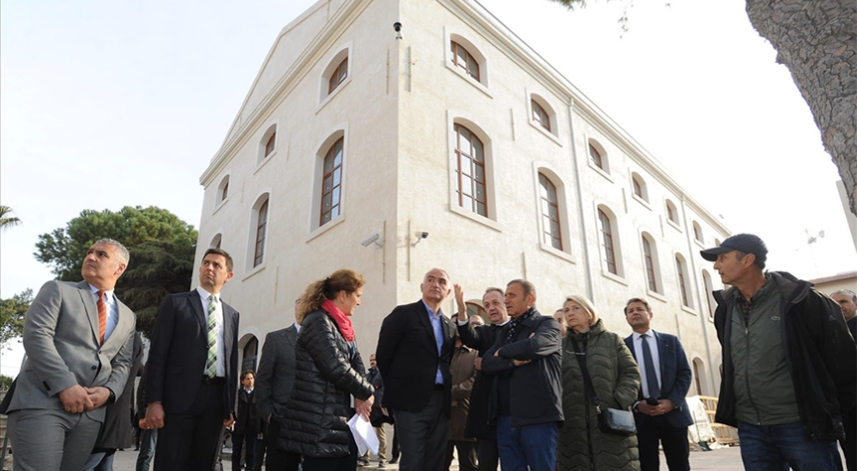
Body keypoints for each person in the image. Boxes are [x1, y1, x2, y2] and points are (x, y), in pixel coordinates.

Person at [700, 233, 856, 470]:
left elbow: (845, 365)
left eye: (722, 258)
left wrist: (824, 412)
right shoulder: (725, 309)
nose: (716, 265)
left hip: (803, 426)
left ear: (748, 260)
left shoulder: (804, 301)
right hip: (751, 429)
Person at [6, 238, 137, 471]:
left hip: (89, 416)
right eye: (89, 252)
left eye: (101, 254)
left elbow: (123, 363)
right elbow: (37, 337)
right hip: (42, 404)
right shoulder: (57, 289)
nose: (90, 257)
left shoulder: (128, 316)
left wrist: (108, 392)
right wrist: (66, 385)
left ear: (120, 268)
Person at [144, 248, 241, 471]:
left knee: (204, 464)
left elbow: (232, 361)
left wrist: (230, 406)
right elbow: (158, 355)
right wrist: (153, 401)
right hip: (179, 399)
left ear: (228, 275)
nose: (209, 268)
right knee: (171, 462)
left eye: (217, 265)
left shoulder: (232, 315)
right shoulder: (176, 303)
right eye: (206, 263)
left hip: (216, 402)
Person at [281, 269, 375, 471]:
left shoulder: (343, 326)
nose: (359, 302)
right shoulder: (317, 321)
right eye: (358, 296)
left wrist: (361, 395)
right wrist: (366, 392)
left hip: (339, 421)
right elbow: (335, 365)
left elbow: (356, 360)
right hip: (320, 424)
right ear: (343, 295)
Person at [376, 268, 456, 471]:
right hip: (409, 401)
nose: (435, 284)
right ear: (422, 287)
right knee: (414, 460)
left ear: (448, 292)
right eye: (430, 280)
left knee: (436, 461)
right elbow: (384, 356)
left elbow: (447, 361)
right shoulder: (404, 314)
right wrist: (395, 392)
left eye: (441, 281)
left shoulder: (450, 326)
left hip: (441, 401)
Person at [481, 280, 562, 471]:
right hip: (505, 419)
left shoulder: (547, 323)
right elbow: (486, 363)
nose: (506, 299)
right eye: (506, 295)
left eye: (512, 295)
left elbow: (536, 346)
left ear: (530, 299)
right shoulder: (507, 330)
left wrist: (501, 352)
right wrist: (512, 361)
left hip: (538, 417)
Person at [558, 295, 641, 471]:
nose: (570, 313)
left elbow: (631, 373)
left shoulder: (612, 340)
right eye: (566, 310)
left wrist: (618, 400)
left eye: (575, 308)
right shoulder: (560, 346)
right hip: (573, 429)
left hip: (610, 424)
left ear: (589, 313)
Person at [623, 298, 693, 471]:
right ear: (627, 318)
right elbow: (621, 381)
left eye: (639, 309)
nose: (635, 313)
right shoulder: (622, 347)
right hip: (642, 418)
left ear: (650, 314)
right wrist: (637, 405)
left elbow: (684, 373)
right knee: (646, 466)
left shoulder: (671, 341)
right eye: (630, 311)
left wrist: (672, 401)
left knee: (680, 465)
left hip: (673, 415)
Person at [454, 286, 509, 471]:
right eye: (486, 305)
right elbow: (469, 338)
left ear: (506, 303)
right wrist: (462, 310)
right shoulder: (485, 332)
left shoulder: (518, 331)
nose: (491, 308)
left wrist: (487, 363)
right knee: (486, 463)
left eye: (495, 303)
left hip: (513, 410)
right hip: (486, 412)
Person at [82, 331, 145, 471]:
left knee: (89, 464)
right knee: (103, 463)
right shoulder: (132, 337)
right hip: (110, 415)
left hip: (107, 413)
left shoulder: (123, 336)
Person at [255, 296, 303, 471]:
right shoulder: (277, 339)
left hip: (312, 425)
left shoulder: (322, 342)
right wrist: (268, 414)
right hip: (282, 422)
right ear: (295, 307)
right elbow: (263, 379)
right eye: (301, 303)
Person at [445, 323, 478, 471]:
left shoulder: (476, 353)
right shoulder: (444, 352)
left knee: (468, 464)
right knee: (439, 463)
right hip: (443, 418)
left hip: (465, 417)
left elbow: (475, 382)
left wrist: (450, 393)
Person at [831, 288, 857, 471]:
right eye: (834, 303)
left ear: (855, 304)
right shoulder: (828, 333)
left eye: (844, 301)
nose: (839, 306)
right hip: (846, 409)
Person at [363, 354, 390, 468]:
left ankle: (382, 458)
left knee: (381, 433)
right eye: (371, 360)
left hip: (378, 407)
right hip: (368, 408)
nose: (372, 362)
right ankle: (365, 457)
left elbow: (383, 389)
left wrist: (378, 402)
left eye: (374, 360)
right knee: (366, 433)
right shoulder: (368, 375)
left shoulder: (382, 374)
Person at [233, 370, 261, 471]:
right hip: (239, 425)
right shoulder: (238, 394)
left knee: (251, 451)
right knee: (236, 450)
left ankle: (250, 468)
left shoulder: (258, 395)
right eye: (247, 379)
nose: (250, 381)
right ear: (242, 381)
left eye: (252, 378)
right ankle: (236, 468)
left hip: (253, 425)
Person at [136, 366, 157, 471]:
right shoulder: (154, 364)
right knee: (148, 451)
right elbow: (141, 392)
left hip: (171, 416)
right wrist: (143, 416)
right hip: (152, 416)